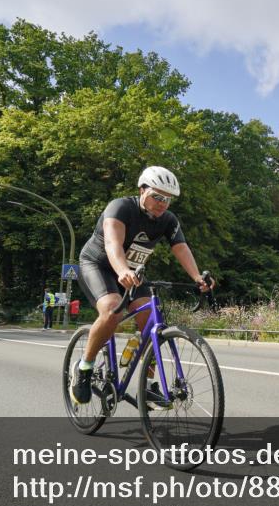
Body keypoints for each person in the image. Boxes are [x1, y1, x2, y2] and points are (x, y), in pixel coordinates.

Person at [70, 166, 213, 406]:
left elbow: (181, 248)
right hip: (99, 265)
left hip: (133, 272)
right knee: (112, 309)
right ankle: (84, 367)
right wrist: (122, 270)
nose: (162, 203)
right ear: (142, 190)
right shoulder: (120, 207)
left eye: (167, 199)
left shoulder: (168, 220)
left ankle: (146, 385)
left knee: (153, 322)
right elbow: (113, 244)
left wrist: (197, 277)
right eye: (157, 196)